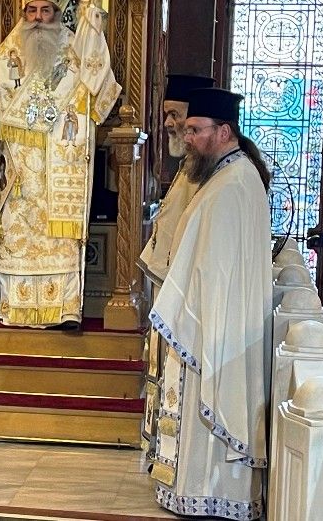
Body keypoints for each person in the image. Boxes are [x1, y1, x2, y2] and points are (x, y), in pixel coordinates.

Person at [0, 0, 120, 329]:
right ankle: (15, 308)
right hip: (19, 169)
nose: (36, 18)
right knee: (16, 233)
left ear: (55, 11)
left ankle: (63, 308)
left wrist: (88, 8)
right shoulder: (11, 48)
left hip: (59, 162)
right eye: (31, 10)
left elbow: (100, 76)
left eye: (44, 10)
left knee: (59, 237)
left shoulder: (73, 45)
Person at [149, 87, 272, 520]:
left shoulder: (234, 183)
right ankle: (195, 491)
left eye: (196, 130)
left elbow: (215, 269)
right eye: (186, 130)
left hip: (217, 323)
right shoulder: (225, 176)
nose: (188, 139)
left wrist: (186, 310)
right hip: (210, 316)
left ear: (223, 131)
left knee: (209, 403)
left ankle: (214, 494)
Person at [137, 73, 214, 458]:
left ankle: (174, 456)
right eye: (166, 115)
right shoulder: (188, 167)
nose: (168, 124)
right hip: (168, 288)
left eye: (176, 116)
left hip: (183, 297)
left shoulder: (206, 172)